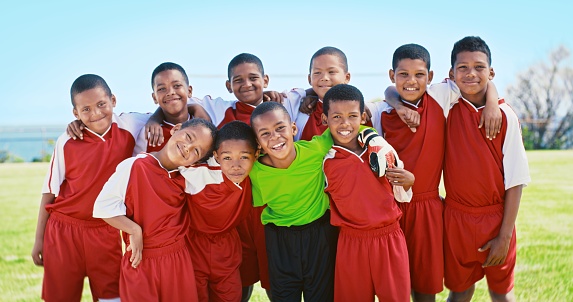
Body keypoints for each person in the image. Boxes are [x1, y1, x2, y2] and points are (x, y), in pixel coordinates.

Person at [372, 43, 503, 302]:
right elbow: (386, 94)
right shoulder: (380, 112)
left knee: (425, 288)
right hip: (391, 210)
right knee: (395, 288)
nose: (411, 81)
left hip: (428, 209)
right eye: (403, 75)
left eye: (419, 75)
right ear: (392, 75)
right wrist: (397, 105)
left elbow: (479, 80)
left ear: (430, 77)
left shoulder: (439, 97)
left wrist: (492, 102)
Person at [31, 74, 148, 302]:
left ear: (113, 100)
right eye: (86, 109)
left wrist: (154, 123)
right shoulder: (67, 140)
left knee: (111, 297)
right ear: (75, 113)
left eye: (101, 104)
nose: (95, 114)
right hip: (63, 231)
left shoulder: (131, 125)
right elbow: (49, 192)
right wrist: (39, 239)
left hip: (106, 231)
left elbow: (165, 111)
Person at [442, 36, 530, 302]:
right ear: (451, 74)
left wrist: (504, 236)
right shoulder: (445, 105)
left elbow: (515, 181)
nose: (471, 73)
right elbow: (399, 90)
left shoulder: (505, 116)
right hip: (456, 218)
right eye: (463, 68)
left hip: (496, 219)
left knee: (501, 294)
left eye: (479, 67)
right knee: (460, 291)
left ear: (491, 72)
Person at [92, 118, 217, 302]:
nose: (188, 148)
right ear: (175, 129)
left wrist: (197, 110)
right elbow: (103, 206)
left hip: (177, 260)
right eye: (188, 137)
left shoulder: (187, 176)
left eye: (196, 151)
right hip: (140, 259)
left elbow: (223, 162)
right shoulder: (135, 166)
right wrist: (134, 230)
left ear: (196, 161)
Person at [187, 53, 276, 300]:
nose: (246, 84)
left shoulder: (282, 106)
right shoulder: (219, 109)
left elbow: (314, 92)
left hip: (270, 207)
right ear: (228, 85)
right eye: (238, 79)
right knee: (239, 280)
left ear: (266, 80)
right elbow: (180, 97)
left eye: (253, 78)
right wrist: (194, 109)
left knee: (275, 278)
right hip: (237, 211)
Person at [321, 84, 414, 302]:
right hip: (351, 243)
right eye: (337, 117)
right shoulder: (325, 161)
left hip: (389, 239)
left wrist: (410, 181)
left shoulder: (382, 151)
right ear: (325, 119)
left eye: (352, 116)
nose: (345, 123)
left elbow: (401, 192)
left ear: (363, 117)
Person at [249, 101, 345, 302]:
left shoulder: (315, 149)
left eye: (280, 128)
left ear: (293, 128)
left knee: (321, 297)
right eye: (265, 133)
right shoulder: (254, 172)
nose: (274, 137)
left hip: (320, 235)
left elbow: (345, 126)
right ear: (257, 142)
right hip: (280, 240)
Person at [180, 120, 259, 302]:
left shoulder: (257, 170)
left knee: (230, 296)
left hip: (227, 246)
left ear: (256, 155)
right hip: (193, 245)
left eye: (244, 157)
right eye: (227, 158)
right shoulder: (194, 171)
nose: (236, 165)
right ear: (216, 155)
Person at [282, 46, 351, 141]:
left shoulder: (360, 113)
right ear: (309, 79)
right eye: (317, 73)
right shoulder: (299, 108)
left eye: (331, 72)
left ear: (347, 77)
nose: (324, 78)